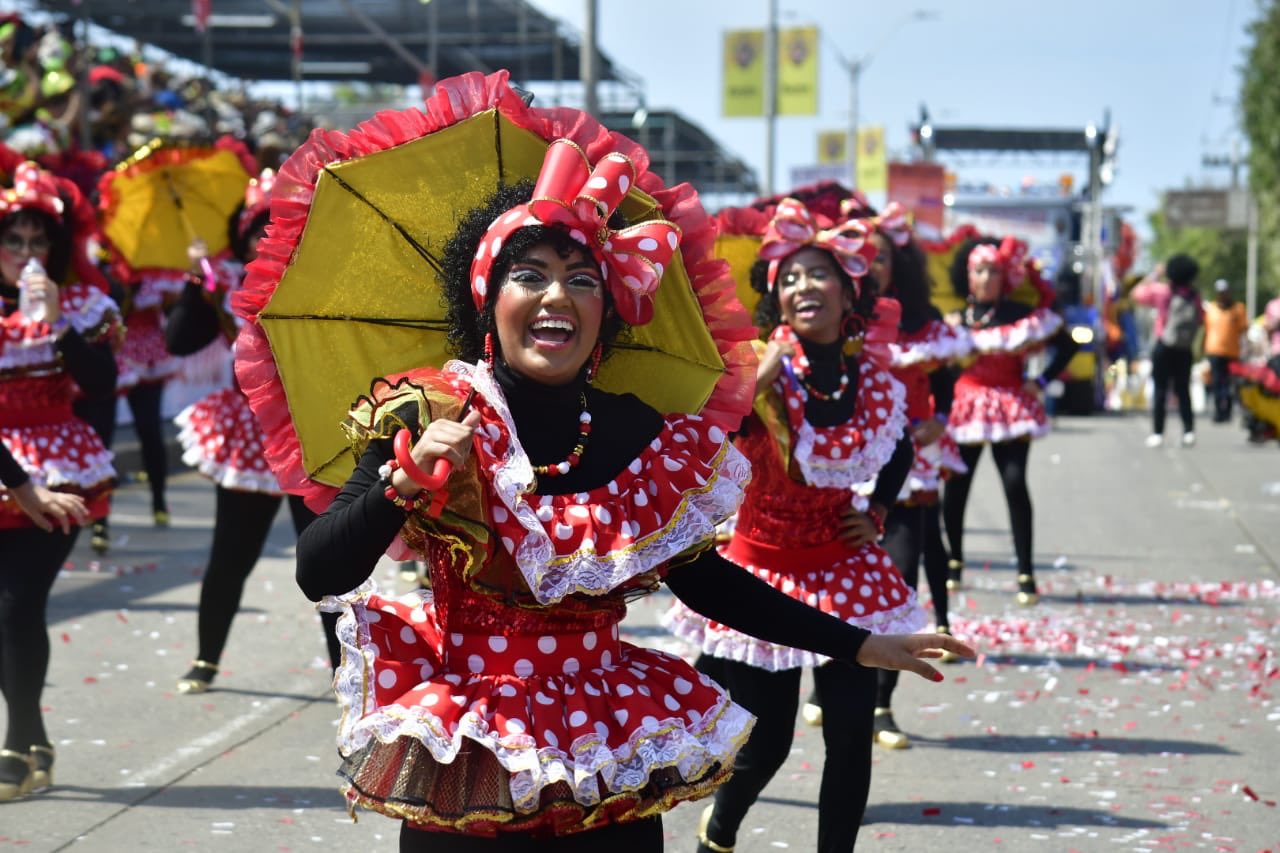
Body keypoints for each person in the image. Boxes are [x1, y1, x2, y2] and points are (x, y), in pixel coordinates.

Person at [238, 73, 972, 852]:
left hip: (607, 745)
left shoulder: (636, 430)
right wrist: (404, 483)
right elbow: (319, 570)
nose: (557, 294)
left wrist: (856, 641)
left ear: (608, 309)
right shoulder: (428, 411)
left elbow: (706, 579)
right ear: (487, 300)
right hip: (475, 748)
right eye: (530, 274)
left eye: (582, 278)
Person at [663, 197, 927, 852]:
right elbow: (701, 437)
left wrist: (878, 511)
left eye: (820, 274)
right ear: (777, 298)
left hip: (844, 567)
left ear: (848, 293)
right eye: (792, 277)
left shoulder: (873, 379)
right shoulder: (755, 368)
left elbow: (900, 445)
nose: (805, 286)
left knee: (849, 735)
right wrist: (751, 383)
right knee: (769, 743)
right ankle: (719, 830)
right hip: (761, 570)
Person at [166, 170, 339, 694]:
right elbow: (178, 341)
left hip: (308, 431)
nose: (266, 241)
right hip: (249, 434)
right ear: (241, 240)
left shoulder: (319, 284)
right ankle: (205, 658)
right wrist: (197, 288)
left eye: (277, 229)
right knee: (230, 554)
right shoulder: (221, 284)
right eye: (255, 233)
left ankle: (344, 673)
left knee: (326, 560)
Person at [0, 159, 119, 801]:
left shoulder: (80, 305)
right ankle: (33, 734)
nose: (25, 253)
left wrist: (61, 326)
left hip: (59, 464)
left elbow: (102, 383)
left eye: (36, 241)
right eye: (12, 242)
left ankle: (16, 746)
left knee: (19, 603)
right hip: (4, 463)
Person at [861, 203, 972, 749]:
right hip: (844, 466)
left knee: (899, 579)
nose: (870, 263)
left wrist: (940, 421)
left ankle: (881, 705)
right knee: (835, 586)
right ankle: (828, 680)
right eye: (863, 255)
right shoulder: (839, 317)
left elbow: (949, 381)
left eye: (880, 256)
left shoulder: (925, 324)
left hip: (910, 466)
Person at [942, 236, 1078, 606]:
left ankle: (1026, 573)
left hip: (1010, 405)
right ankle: (953, 564)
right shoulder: (954, 320)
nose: (987, 278)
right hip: (965, 406)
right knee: (956, 488)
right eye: (980, 271)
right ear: (968, 277)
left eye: (994, 272)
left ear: (1005, 277)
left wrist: (1043, 381)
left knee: (1015, 484)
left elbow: (1067, 344)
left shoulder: (1020, 316)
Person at [1131, 255, 1204, 447]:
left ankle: (1158, 433)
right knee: (1183, 390)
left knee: (1160, 390)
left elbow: (1136, 294)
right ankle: (1188, 431)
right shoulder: (1194, 295)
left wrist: (1155, 273)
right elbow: (1201, 319)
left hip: (1163, 346)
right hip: (1185, 348)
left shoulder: (1162, 291)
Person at [1203, 278, 1249, 423]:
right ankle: (1218, 412)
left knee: (1230, 384)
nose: (1223, 295)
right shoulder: (1211, 309)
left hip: (1232, 353)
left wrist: (1246, 350)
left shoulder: (1238, 309)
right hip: (1214, 352)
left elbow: (1243, 330)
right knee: (1216, 383)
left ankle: (1228, 411)